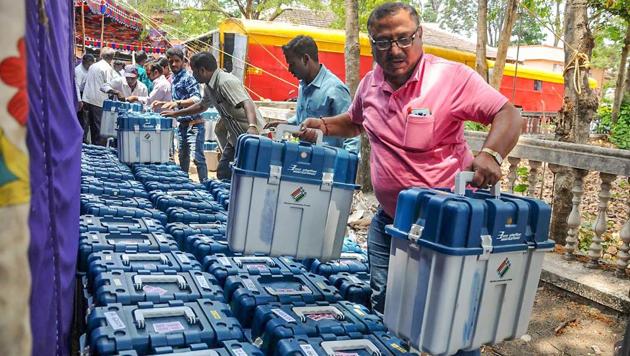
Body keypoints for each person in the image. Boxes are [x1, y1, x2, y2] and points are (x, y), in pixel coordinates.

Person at [299, 3, 522, 354]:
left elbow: (507, 113)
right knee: (389, 307)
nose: (395, 50)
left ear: (419, 36)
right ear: (372, 44)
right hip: (390, 225)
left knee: (450, 316)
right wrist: (324, 125)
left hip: (446, 230)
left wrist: (491, 154)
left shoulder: (450, 78)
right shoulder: (370, 84)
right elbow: (356, 121)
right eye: (384, 42)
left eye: (404, 38)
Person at [159, 52, 264, 180]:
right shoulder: (209, 86)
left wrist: (252, 126)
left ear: (202, 70)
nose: (193, 74)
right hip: (236, 138)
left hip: (253, 138)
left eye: (194, 71)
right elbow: (201, 106)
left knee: (246, 175)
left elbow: (247, 103)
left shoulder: (225, 82)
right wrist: (176, 113)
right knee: (224, 171)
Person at [280, 35, 360, 153]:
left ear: (306, 59)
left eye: (292, 64)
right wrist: (287, 123)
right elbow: (305, 117)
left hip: (328, 163)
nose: (289, 69)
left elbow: (352, 132)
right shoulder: (303, 85)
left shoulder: (334, 89)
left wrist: (346, 165)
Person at [152, 47, 207, 182]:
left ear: (183, 61)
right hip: (182, 125)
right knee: (182, 159)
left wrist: (177, 103)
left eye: (177, 61)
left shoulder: (188, 77)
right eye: (171, 62)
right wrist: (162, 102)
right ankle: (185, 185)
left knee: (198, 159)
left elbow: (196, 99)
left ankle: (207, 186)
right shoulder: (173, 78)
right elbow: (177, 100)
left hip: (194, 126)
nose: (174, 64)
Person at [82, 47, 118, 145]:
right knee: (98, 131)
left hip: (87, 99)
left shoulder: (93, 66)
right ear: (112, 58)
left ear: (101, 55)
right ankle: (97, 153)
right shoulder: (107, 69)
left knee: (86, 128)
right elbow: (109, 86)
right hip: (99, 102)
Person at [75, 53, 95, 143]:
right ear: (84, 61)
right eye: (89, 64)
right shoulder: (78, 71)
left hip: (86, 94)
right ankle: (81, 139)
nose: (90, 66)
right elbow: (77, 86)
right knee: (82, 119)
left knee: (86, 120)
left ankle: (84, 138)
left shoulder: (88, 69)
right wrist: (79, 100)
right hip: (80, 95)